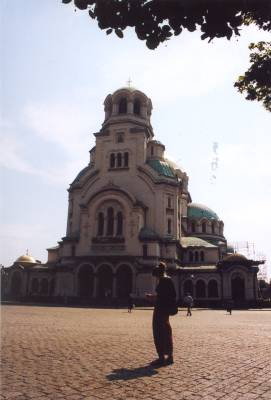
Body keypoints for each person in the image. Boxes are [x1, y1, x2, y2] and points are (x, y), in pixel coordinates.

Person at [146, 262, 176, 367]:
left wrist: (152, 298)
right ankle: (170, 356)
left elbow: (161, 297)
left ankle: (161, 357)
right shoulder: (169, 279)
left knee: (158, 332)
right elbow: (170, 295)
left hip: (160, 310)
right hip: (166, 310)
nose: (155, 278)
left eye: (156, 276)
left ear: (158, 273)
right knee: (167, 331)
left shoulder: (163, 281)